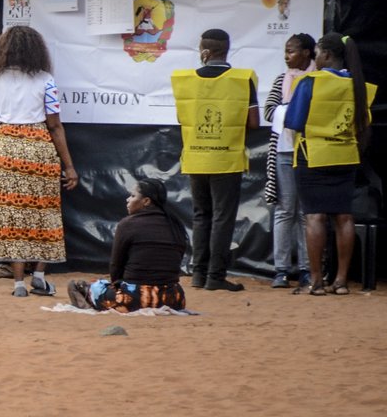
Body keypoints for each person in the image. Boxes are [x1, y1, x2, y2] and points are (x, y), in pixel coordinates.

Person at [0, 25, 78, 298]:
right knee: (44, 213)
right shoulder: (45, 79)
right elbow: (55, 126)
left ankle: (18, 283)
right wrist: (68, 166)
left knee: (11, 217)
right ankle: (39, 276)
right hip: (39, 149)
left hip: (6, 149)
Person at [284, 33, 376, 296]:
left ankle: (316, 281)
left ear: (325, 55)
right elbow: (363, 124)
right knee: (344, 216)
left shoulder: (309, 82)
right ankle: (342, 281)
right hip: (346, 155)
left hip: (313, 154)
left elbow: (294, 121)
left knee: (314, 215)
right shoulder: (358, 85)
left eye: (317, 54)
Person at [170, 28, 258, 292]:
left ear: (205, 52)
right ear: (226, 49)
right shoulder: (243, 79)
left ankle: (198, 275)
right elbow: (254, 122)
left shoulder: (185, 80)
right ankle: (216, 277)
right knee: (222, 217)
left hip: (196, 157)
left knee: (200, 215)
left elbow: (181, 119)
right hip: (226, 158)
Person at [68, 178, 188, 312]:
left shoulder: (127, 224)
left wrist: (117, 286)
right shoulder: (176, 225)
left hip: (134, 299)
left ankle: (91, 304)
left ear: (146, 201)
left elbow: (116, 264)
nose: (127, 200)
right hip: (173, 299)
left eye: (132, 196)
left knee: (79, 285)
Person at [264, 33, 316, 290]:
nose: (287, 57)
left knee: (307, 213)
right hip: (284, 151)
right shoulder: (280, 80)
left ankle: (308, 269)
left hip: (310, 152)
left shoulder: (319, 79)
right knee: (285, 209)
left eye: (292, 51)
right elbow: (269, 110)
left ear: (307, 53)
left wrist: (295, 109)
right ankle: (281, 270)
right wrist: (294, 109)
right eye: (285, 51)